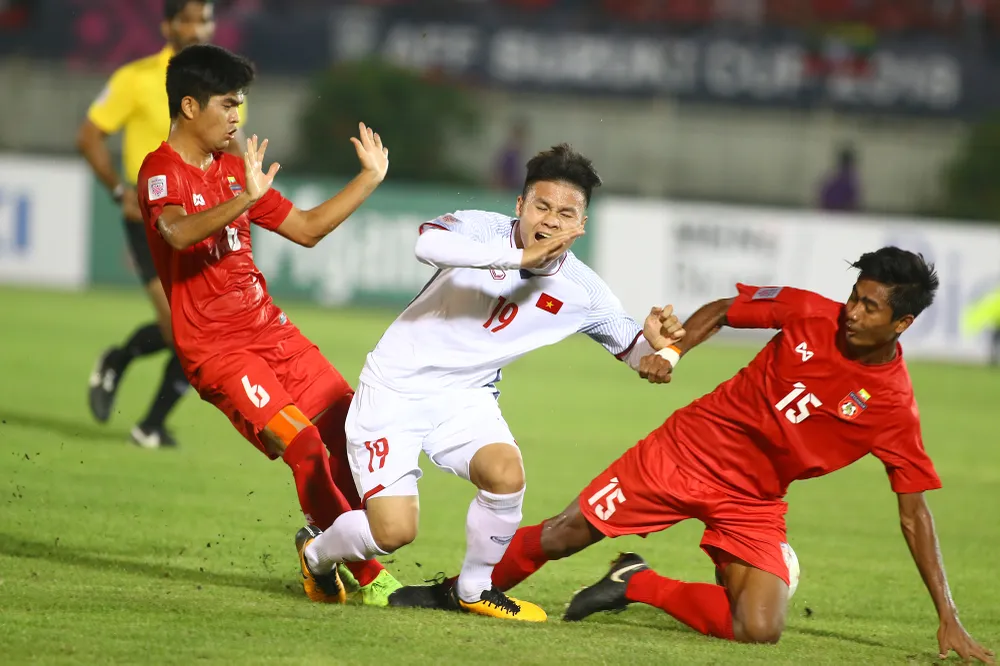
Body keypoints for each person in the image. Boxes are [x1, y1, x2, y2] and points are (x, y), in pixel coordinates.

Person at [390, 247, 996, 664]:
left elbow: (915, 514)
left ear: (903, 323)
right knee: (562, 536)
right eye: (854, 297)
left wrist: (948, 614)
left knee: (758, 628)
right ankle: (457, 590)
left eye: (870, 307)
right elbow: (725, 310)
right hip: (687, 453)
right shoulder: (809, 311)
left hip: (755, 499)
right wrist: (673, 353)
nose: (851, 313)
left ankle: (637, 582)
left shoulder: (894, 408)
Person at [299, 143, 685, 622]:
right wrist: (518, 255)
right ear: (520, 205)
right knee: (393, 532)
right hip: (395, 389)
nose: (551, 221)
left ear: (581, 225)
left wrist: (661, 350)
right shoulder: (481, 229)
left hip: (465, 398)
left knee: (506, 475)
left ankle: (474, 588)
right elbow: (427, 245)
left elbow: (637, 354)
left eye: (566, 214)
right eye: (542, 206)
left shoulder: (585, 292)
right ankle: (317, 554)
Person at [135, 43, 400, 605]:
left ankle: (327, 543)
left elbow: (306, 228)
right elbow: (176, 233)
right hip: (218, 353)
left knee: (350, 431)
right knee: (304, 446)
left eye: (240, 104)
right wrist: (243, 201)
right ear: (189, 105)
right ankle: (372, 577)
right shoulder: (161, 170)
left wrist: (369, 179)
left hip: (271, 333)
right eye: (227, 104)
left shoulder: (236, 170)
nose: (237, 116)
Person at [79, 0, 243, 448]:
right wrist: (120, 191)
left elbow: (233, 149)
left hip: (202, 217)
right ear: (167, 25)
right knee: (183, 331)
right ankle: (126, 374)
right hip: (153, 217)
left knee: (200, 329)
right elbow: (89, 136)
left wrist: (247, 195)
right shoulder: (135, 79)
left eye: (204, 19)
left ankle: (146, 416)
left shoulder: (222, 83)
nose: (197, 29)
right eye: (187, 19)